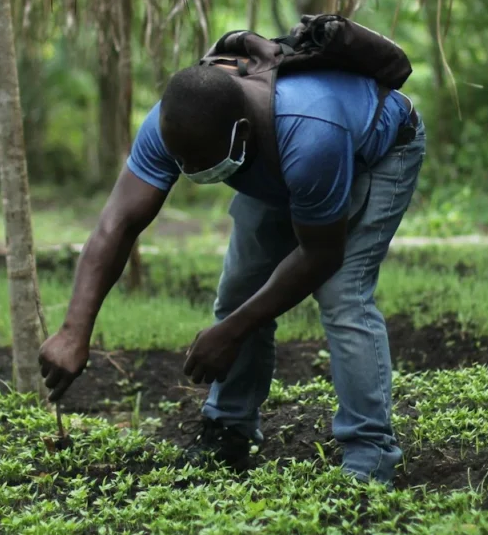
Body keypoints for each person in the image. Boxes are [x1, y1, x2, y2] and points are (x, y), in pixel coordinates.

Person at [37, 26, 425, 483]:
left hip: (375, 150)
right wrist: (73, 330)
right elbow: (116, 225)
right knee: (240, 287)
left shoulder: (312, 133)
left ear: (241, 132)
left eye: (207, 162)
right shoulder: (174, 121)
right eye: (187, 165)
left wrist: (233, 331)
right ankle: (229, 431)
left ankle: (369, 454)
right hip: (274, 162)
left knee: (343, 297)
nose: (197, 173)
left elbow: (321, 256)